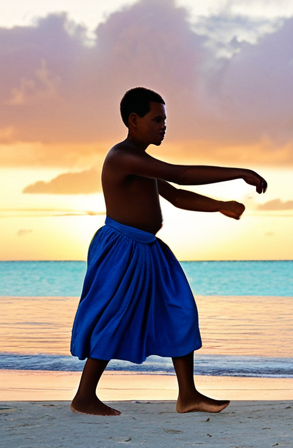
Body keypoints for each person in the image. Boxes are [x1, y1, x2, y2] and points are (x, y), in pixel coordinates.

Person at [70, 87, 267, 416]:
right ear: (134, 121)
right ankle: (84, 396)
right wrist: (240, 172)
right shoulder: (123, 156)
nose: (163, 125)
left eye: (165, 119)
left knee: (181, 310)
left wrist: (219, 207)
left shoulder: (143, 162)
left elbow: (175, 194)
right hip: (122, 247)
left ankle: (188, 394)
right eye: (157, 119)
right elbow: (182, 174)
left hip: (150, 249)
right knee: (112, 316)